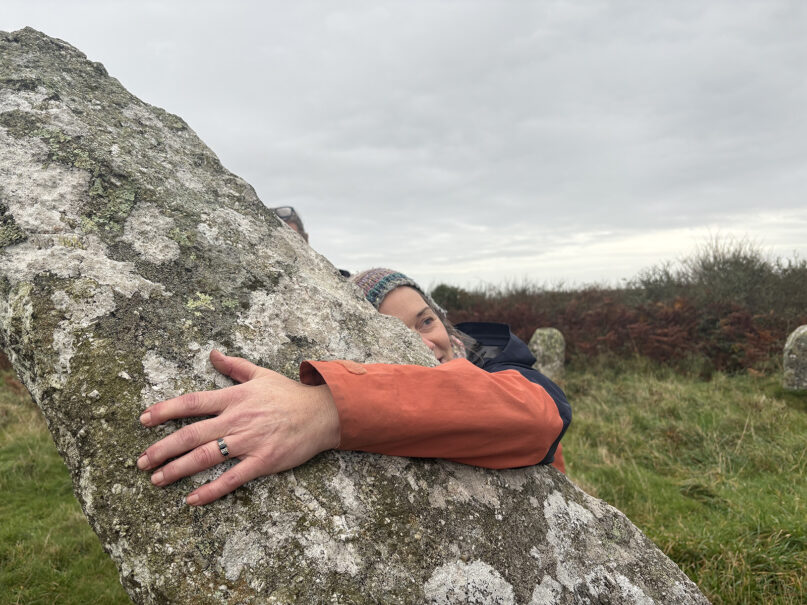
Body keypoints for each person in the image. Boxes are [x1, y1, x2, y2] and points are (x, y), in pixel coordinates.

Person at [136, 268, 571, 506]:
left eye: (425, 320)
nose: (425, 341)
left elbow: (539, 416)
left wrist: (326, 409)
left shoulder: (501, 363)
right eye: (396, 333)